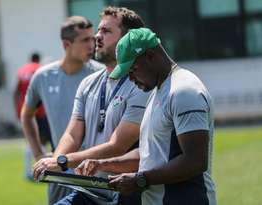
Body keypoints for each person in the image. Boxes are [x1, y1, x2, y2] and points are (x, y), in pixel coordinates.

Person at [76, 28, 217, 205]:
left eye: (133, 69)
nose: (131, 79)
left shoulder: (184, 91)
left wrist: (140, 179)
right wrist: (103, 164)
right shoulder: (157, 91)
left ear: (150, 56)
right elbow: (150, 152)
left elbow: (195, 161)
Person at [33, 7, 150, 205]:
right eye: (99, 30)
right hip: (90, 192)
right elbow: (72, 134)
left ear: (127, 39)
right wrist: (56, 161)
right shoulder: (88, 83)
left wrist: (64, 161)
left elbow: (118, 145)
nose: (97, 36)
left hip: (127, 192)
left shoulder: (140, 83)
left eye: (106, 31)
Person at [21, 16, 103, 204]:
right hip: (60, 171)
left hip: (94, 172)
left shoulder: (100, 74)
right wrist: (39, 154)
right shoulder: (43, 76)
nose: (92, 45)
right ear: (67, 44)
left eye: (93, 38)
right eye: (85, 40)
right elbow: (26, 115)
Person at [13, 52, 52, 181]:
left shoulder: (21, 71)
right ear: (38, 59)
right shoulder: (40, 69)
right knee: (42, 142)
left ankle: (27, 171)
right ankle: (40, 170)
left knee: (30, 141)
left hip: (26, 111)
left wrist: (17, 110)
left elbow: (16, 92)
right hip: (40, 111)